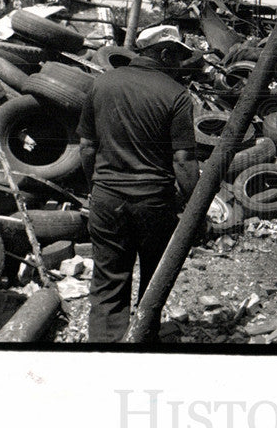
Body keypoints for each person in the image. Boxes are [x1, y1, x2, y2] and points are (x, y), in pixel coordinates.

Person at [77, 24, 200, 343]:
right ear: (163, 52)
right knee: (153, 279)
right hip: (153, 203)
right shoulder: (176, 95)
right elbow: (184, 160)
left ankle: (105, 347)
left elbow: (87, 146)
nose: (180, 63)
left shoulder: (102, 83)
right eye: (178, 55)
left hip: (106, 198)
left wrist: (96, 187)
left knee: (107, 282)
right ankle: (144, 340)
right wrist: (194, 205)